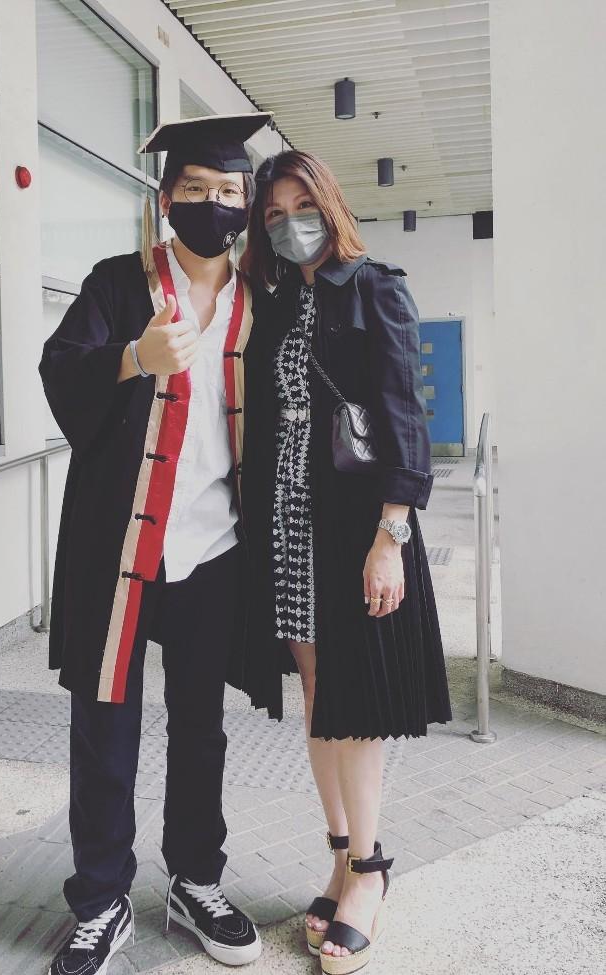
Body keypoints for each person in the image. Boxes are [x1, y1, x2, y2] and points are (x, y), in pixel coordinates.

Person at [37, 113, 272, 975]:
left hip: (214, 547)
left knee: (201, 725)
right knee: (104, 721)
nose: (214, 204)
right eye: (196, 188)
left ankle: (194, 879)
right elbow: (60, 369)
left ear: (245, 204)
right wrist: (134, 356)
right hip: (120, 543)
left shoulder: (260, 300)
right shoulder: (116, 283)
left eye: (229, 191)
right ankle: (101, 898)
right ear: (166, 198)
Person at [239, 150, 453, 975]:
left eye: (303, 206)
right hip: (288, 523)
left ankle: (369, 870)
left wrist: (390, 535)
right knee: (317, 693)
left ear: (329, 206)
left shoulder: (375, 287)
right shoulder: (276, 302)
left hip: (355, 524)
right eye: (273, 213)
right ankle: (338, 854)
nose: (289, 223)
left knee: (353, 703)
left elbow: (404, 416)